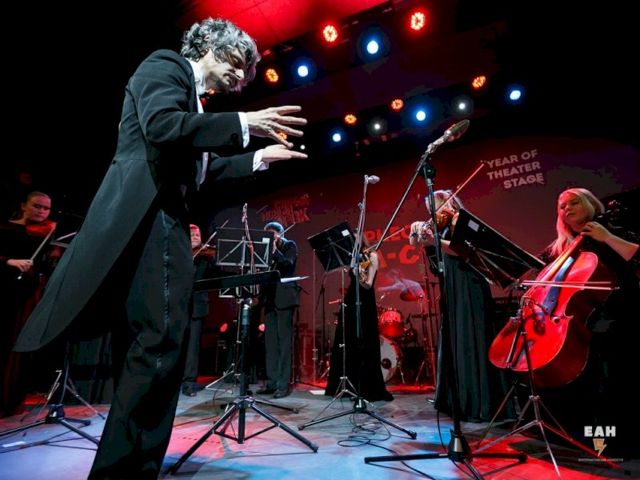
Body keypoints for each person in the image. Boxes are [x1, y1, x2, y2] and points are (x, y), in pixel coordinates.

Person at [14, 18, 307, 479]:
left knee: (154, 347)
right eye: (237, 62)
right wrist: (244, 123)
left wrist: (257, 157)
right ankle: (126, 467)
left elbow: (201, 171)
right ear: (210, 46)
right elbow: (162, 126)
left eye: (246, 72)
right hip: (150, 219)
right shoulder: (166, 65)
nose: (240, 76)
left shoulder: (194, 105)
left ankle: (127, 465)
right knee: (158, 344)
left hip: (159, 221)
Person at [537, 187, 639, 457]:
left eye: (574, 203)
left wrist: (608, 238)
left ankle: (616, 445)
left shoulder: (611, 230)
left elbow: (636, 258)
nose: (567, 209)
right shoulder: (561, 247)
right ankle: (594, 443)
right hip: (582, 323)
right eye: (562, 206)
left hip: (619, 316)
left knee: (613, 385)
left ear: (591, 204)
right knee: (591, 388)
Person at [409, 189, 510, 422]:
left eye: (435, 207)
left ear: (449, 203)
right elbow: (420, 247)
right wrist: (417, 234)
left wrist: (432, 238)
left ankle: (478, 401)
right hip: (453, 286)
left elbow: (461, 249)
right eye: (430, 211)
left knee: (470, 336)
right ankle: (456, 398)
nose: (433, 214)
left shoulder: (461, 220)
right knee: (455, 337)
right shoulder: (441, 228)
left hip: (468, 285)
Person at [0, 191, 59, 417]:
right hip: (7, 290)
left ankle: (13, 400)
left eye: (46, 208)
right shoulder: (6, 228)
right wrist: (9, 261)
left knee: (21, 346)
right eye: (37, 206)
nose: (42, 211)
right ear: (24, 205)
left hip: (31, 293)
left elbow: (49, 263)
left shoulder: (47, 232)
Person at [325, 243, 393, 402]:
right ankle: (348, 385)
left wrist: (358, 274)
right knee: (347, 341)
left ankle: (365, 386)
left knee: (363, 341)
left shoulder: (372, 256)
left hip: (364, 302)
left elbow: (368, 284)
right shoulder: (353, 257)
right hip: (350, 300)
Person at [257, 221, 299, 398]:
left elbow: (287, 264)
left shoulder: (289, 246)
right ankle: (272, 382)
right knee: (271, 344)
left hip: (284, 298)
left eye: (271, 234)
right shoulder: (264, 250)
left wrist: (274, 250)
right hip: (269, 299)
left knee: (284, 343)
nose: (268, 237)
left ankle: (283, 385)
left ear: (279, 234)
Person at [181, 224, 217, 397]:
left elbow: (215, 271)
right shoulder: (181, 254)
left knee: (193, 347)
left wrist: (209, 256)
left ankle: (189, 382)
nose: (196, 237)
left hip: (198, 306)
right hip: (179, 305)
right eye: (192, 235)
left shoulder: (206, 256)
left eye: (198, 234)